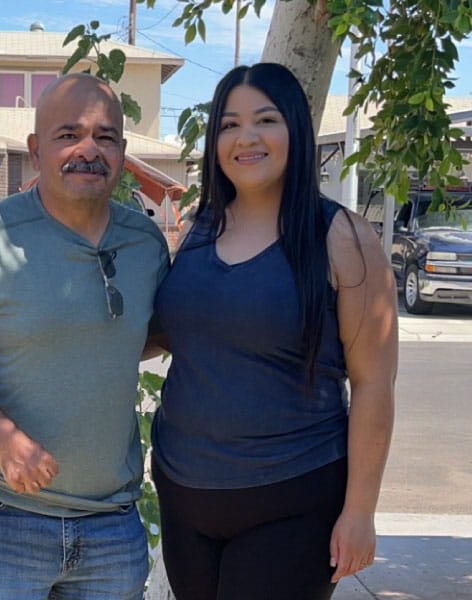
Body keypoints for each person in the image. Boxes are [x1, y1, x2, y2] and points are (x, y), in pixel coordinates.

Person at [149, 63, 397, 599]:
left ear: (297, 133)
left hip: (292, 500)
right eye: (229, 124)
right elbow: (174, 335)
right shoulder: (197, 229)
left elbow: (374, 384)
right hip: (184, 493)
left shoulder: (342, 237)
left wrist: (360, 511)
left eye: (266, 119)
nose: (247, 137)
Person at [0, 73, 170, 600]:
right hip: (1, 516)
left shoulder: (145, 241)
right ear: (36, 150)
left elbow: (143, 335)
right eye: (68, 134)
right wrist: (3, 439)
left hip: (112, 522)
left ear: (123, 152)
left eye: (105, 136)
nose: (88, 150)